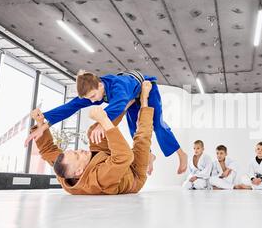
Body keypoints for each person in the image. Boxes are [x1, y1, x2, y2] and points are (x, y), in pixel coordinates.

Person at [24, 70, 187, 175]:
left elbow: (120, 103)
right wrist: (44, 124)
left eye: (93, 96)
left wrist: (102, 123)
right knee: (135, 131)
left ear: (100, 85)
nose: (92, 100)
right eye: (89, 99)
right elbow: (71, 106)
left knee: (157, 125)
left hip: (145, 88)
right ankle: (149, 156)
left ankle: (181, 154)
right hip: (131, 97)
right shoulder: (95, 91)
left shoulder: (118, 86)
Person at [31, 81, 154, 195]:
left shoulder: (65, 169)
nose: (79, 150)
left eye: (75, 151)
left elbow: (47, 151)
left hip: (102, 156)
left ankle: (124, 104)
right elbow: (124, 158)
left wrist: (41, 123)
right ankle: (143, 100)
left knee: (94, 132)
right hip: (132, 173)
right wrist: (104, 120)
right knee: (142, 141)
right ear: (79, 172)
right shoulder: (99, 178)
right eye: (78, 155)